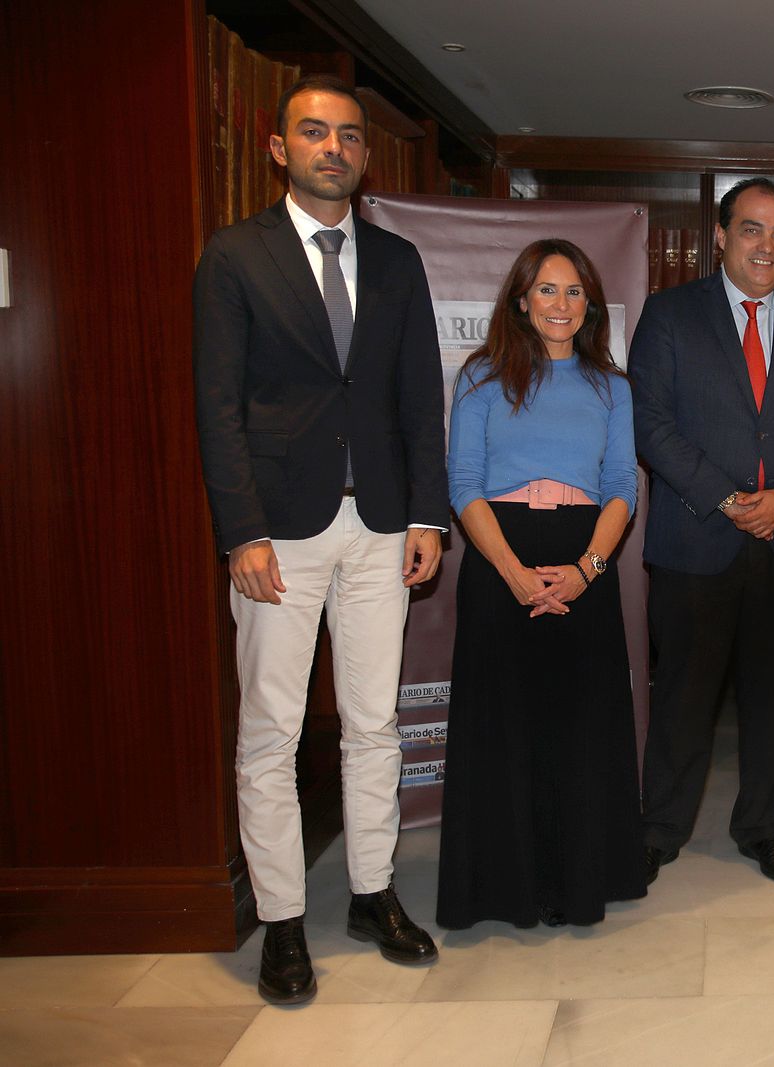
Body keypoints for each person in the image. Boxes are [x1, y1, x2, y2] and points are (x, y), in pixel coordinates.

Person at [193, 75, 447, 1004]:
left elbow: (421, 395)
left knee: (375, 721)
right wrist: (241, 531)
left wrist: (429, 515)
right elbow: (217, 408)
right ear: (278, 148)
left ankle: (372, 893)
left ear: (365, 156)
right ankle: (283, 921)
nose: (332, 147)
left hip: (381, 525)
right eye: (314, 132)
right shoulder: (235, 256)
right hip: (279, 536)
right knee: (272, 731)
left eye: (347, 136)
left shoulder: (397, 260)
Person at [630, 177, 774, 883]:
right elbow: (652, 426)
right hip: (698, 539)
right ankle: (659, 827)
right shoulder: (669, 315)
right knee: (684, 700)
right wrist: (727, 497)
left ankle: (761, 826)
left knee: (773, 700)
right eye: (752, 229)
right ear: (719, 236)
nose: (768, 245)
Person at [434, 239, 645, 928]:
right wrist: (514, 574)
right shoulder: (479, 378)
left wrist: (586, 571)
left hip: (586, 562)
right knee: (507, 732)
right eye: (547, 291)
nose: (562, 304)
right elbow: (463, 485)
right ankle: (507, 887)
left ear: (590, 304)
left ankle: (578, 883)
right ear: (521, 300)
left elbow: (619, 487)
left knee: (578, 733)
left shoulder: (613, 388)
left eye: (575, 291)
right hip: (503, 564)